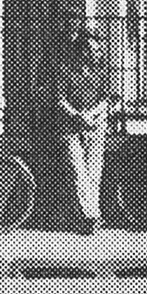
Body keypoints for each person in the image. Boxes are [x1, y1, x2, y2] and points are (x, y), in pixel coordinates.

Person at [51, 27, 111, 234]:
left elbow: (106, 99)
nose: (94, 53)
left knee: (94, 172)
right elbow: (59, 99)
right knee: (78, 171)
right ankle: (90, 215)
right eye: (89, 49)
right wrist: (78, 115)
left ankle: (91, 216)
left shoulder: (101, 71)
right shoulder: (65, 69)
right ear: (81, 49)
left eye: (97, 49)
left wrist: (93, 114)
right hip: (71, 125)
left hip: (95, 124)